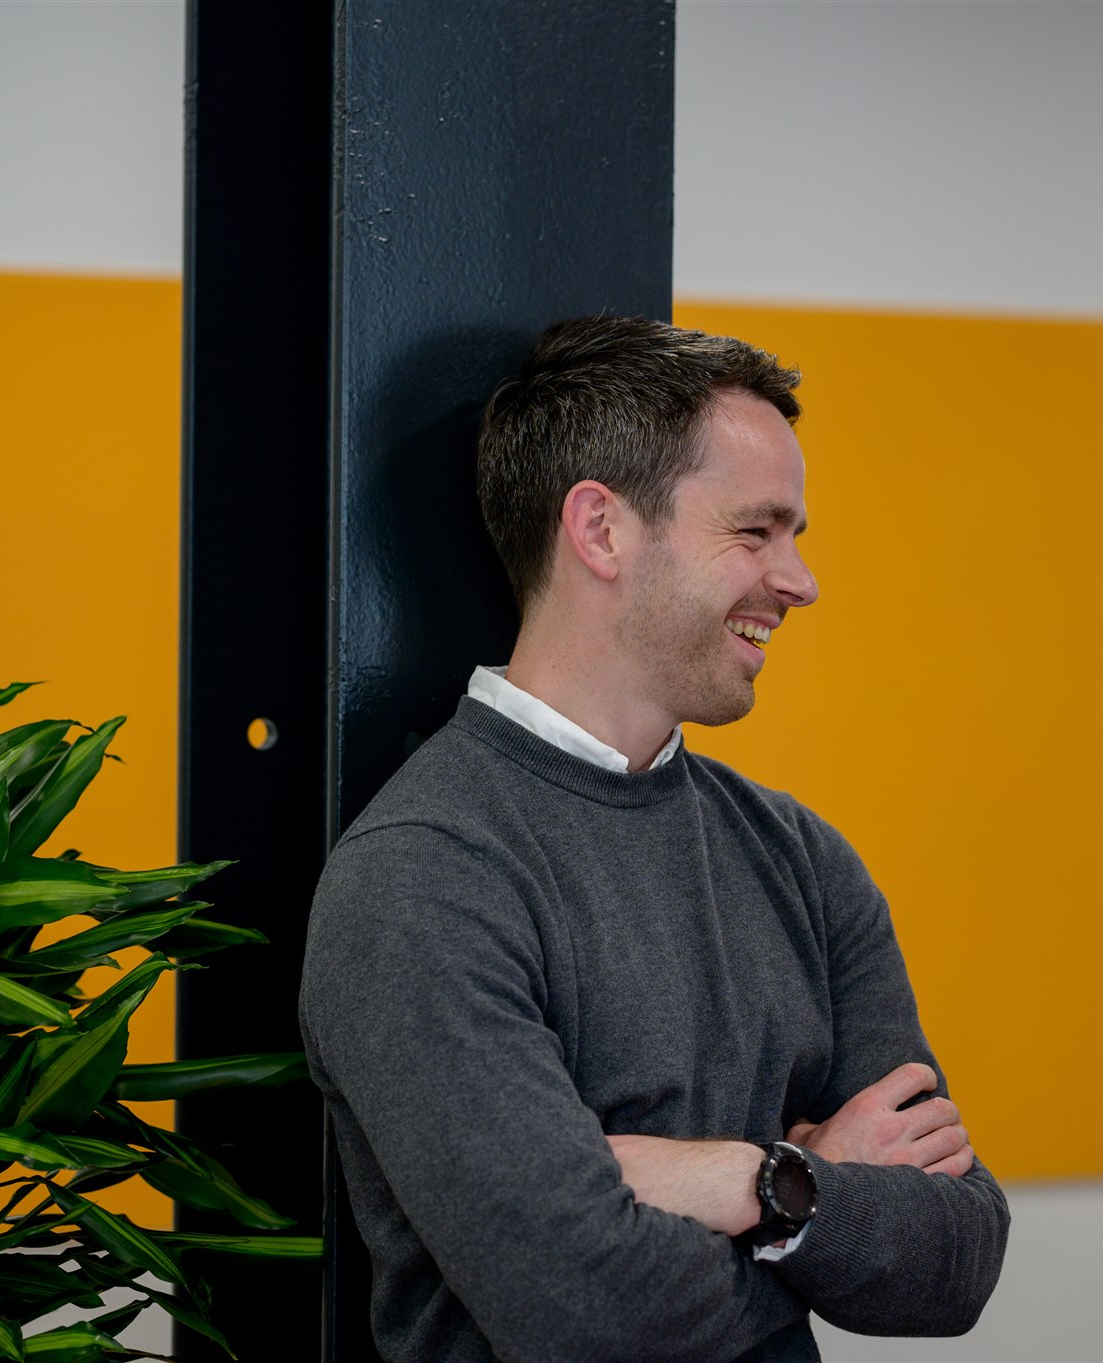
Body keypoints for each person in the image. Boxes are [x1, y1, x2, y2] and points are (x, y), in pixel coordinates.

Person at [300, 315, 1009, 1363]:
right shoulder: (422, 876)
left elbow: (957, 1255)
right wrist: (813, 1185)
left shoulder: (800, 859)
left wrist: (743, 1181)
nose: (799, 579)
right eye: (756, 531)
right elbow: (582, 1312)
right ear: (601, 530)